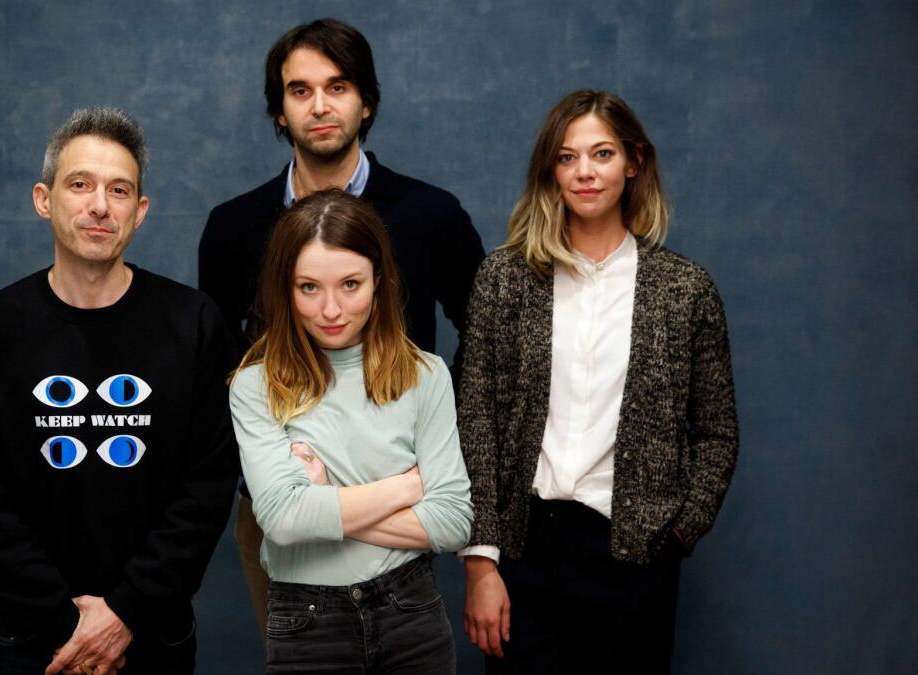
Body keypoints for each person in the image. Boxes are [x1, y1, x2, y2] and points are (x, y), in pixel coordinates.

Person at [199, 16, 485, 631]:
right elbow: (218, 363)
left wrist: (433, 436)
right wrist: (273, 471)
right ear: (279, 111)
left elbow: (485, 337)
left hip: (405, 496)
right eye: (299, 91)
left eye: (338, 86)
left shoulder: (431, 215)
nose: (320, 105)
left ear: (367, 102)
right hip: (282, 499)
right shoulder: (233, 227)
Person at [0, 107, 239, 675]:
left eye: (119, 189)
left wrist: (124, 612)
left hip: (152, 633)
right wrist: (66, 626)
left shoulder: (195, 326)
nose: (100, 205)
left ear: (141, 211)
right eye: (80, 184)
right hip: (22, 638)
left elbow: (206, 491)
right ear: (44, 199)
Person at [458, 90, 739, 673]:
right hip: (524, 550)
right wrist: (481, 564)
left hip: (635, 554)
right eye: (567, 157)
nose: (584, 172)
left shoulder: (684, 290)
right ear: (549, 170)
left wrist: (679, 533)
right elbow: (476, 422)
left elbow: (716, 431)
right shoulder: (504, 279)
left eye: (602, 153)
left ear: (634, 162)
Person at [229, 189, 474, 673]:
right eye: (309, 288)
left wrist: (324, 503)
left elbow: (451, 524)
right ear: (285, 288)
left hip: (411, 614)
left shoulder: (425, 376)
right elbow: (282, 521)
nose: (331, 310)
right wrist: (408, 487)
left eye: (350, 284)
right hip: (306, 623)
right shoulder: (255, 386)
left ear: (378, 282)